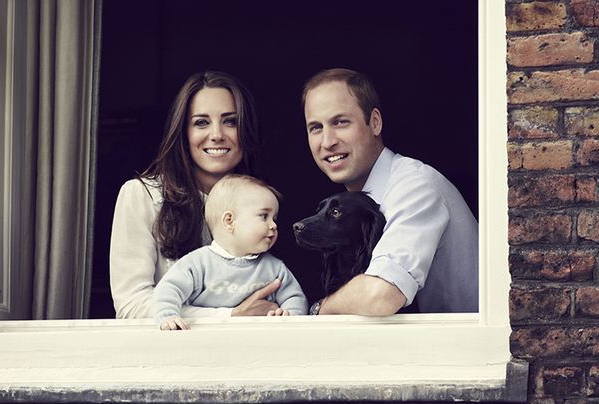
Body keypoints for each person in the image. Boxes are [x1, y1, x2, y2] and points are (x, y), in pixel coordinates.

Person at [302, 68, 478, 315]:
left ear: (375, 122)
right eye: (316, 128)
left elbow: (380, 296)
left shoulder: (415, 186)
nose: (327, 141)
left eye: (340, 122)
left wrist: (321, 309)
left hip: (466, 350)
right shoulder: (356, 205)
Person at [110, 71, 283, 319]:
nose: (216, 134)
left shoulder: (262, 200)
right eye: (201, 122)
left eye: (230, 121)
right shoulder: (142, 195)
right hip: (170, 351)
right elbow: (131, 306)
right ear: (183, 132)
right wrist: (229, 315)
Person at [153, 174, 308, 330]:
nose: (273, 225)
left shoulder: (274, 268)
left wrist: (288, 317)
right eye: (264, 216)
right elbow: (169, 289)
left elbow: (295, 298)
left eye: (274, 218)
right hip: (207, 341)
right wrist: (168, 316)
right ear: (229, 221)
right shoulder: (197, 263)